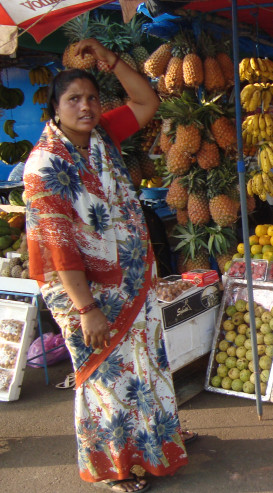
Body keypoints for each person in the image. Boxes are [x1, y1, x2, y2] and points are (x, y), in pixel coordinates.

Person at [23, 39, 194, 493]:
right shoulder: (45, 167)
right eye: (73, 99)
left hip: (131, 281)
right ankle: (113, 467)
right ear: (55, 109)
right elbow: (59, 248)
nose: (85, 106)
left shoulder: (102, 139)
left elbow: (146, 100)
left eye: (92, 98)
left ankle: (155, 442)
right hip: (83, 293)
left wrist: (109, 59)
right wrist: (87, 309)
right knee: (105, 377)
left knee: (144, 366)